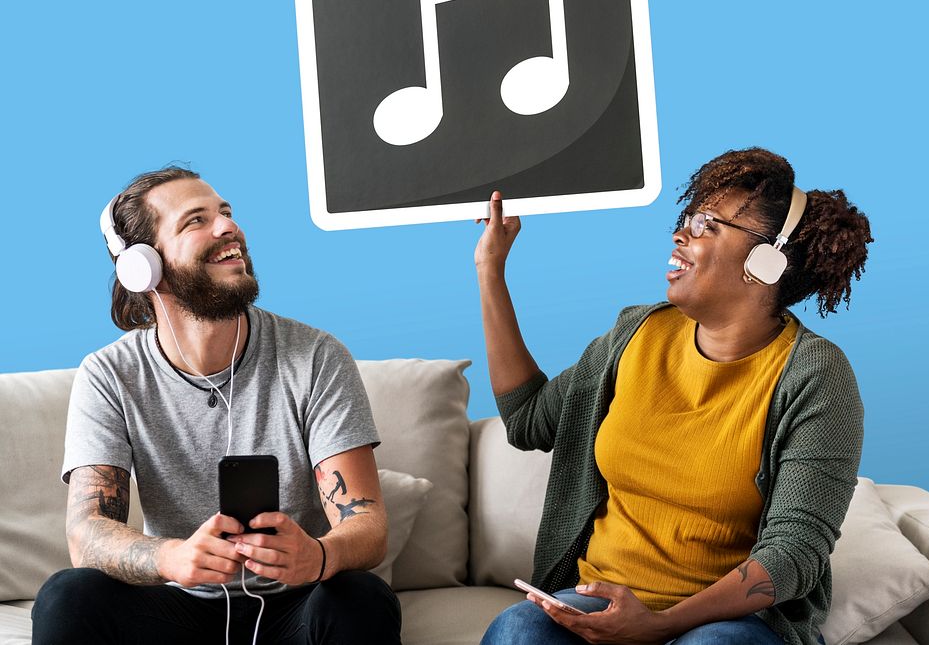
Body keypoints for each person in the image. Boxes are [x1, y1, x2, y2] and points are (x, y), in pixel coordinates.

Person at [475, 148, 873, 645]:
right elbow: (528, 420)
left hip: (726, 624)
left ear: (765, 262)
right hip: (596, 599)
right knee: (517, 629)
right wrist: (490, 270)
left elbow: (794, 554)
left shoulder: (816, 377)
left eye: (709, 224)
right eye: (688, 218)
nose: (681, 234)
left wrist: (659, 625)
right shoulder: (638, 334)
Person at [32, 167, 401, 645]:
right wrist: (172, 558)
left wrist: (319, 556)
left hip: (294, 605)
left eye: (226, 213)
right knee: (69, 593)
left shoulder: (315, 356)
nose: (229, 227)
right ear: (144, 265)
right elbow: (87, 532)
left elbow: (366, 523)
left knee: (359, 595)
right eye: (196, 221)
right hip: (178, 605)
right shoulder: (110, 374)